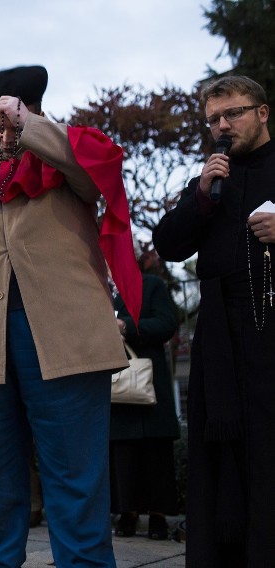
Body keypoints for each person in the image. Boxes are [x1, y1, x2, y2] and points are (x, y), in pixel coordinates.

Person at [0, 65, 136, 567]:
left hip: (62, 336)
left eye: (10, 117)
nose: (2, 131)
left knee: (74, 477)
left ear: (32, 109)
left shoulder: (70, 149)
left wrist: (29, 128)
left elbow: (95, 176)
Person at [152, 74, 275, 566]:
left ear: (262, 112)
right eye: (213, 120)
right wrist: (201, 195)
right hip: (220, 335)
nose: (222, 126)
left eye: (233, 114)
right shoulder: (209, 179)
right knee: (219, 452)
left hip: (269, 330)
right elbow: (168, 243)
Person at [109, 243, 179, 540]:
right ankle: (128, 512)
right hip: (115, 381)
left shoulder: (151, 285)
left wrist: (126, 326)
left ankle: (158, 516)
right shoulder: (97, 289)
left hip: (149, 380)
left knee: (156, 453)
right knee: (122, 453)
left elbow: (166, 324)